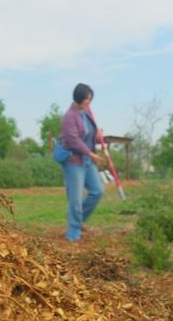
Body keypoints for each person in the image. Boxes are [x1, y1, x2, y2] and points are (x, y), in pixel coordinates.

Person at [59, 83, 104, 242]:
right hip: (74, 161)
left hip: (87, 160)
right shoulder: (69, 117)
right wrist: (91, 154)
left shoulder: (87, 112)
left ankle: (77, 221)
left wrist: (98, 134)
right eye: (87, 99)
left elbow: (90, 132)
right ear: (79, 98)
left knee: (97, 191)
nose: (89, 102)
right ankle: (73, 235)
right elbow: (74, 141)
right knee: (76, 200)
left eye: (90, 99)